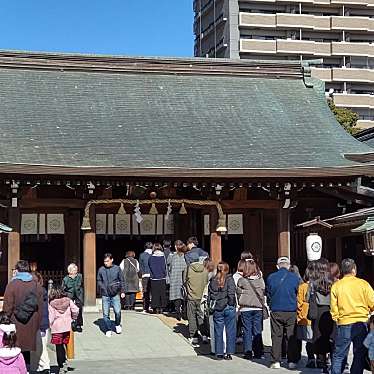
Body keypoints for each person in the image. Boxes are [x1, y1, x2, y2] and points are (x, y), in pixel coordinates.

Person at [330, 258, 374, 374]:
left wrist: (337, 319)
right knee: (359, 354)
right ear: (354, 269)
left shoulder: (336, 286)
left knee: (339, 355)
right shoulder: (363, 284)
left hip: (344, 323)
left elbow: (333, 308)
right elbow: (373, 303)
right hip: (361, 322)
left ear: (342, 271)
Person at [3, 260, 43, 365]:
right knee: (27, 350)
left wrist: (5, 321)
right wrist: (38, 324)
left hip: (15, 322)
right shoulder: (36, 285)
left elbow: (7, 306)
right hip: (32, 322)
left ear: (17, 270)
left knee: (16, 348)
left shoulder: (12, 285)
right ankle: (27, 369)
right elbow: (41, 307)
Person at [266, 256, 299, 369]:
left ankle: (275, 361)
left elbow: (268, 293)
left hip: (276, 310)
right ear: (289, 266)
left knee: (276, 335)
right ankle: (292, 361)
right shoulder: (295, 278)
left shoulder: (271, 277)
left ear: (277, 266)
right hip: (291, 310)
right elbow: (297, 293)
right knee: (291, 336)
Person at [236, 258, 265, 360]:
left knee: (247, 330)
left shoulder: (242, 280)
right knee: (257, 330)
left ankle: (248, 352)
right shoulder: (260, 280)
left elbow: (238, 293)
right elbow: (263, 292)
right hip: (258, 308)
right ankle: (258, 353)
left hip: (245, 308)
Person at [208, 261, 236, 360]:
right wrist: (231, 304)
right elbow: (231, 293)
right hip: (228, 306)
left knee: (218, 330)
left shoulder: (213, 280)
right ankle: (229, 353)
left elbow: (211, 294)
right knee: (230, 331)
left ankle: (219, 352)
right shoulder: (229, 279)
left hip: (217, 307)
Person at [48, 287, 79, 374]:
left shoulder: (51, 304)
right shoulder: (68, 301)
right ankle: (65, 361)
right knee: (65, 344)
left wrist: (48, 326)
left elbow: (51, 317)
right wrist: (73, 317)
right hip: (66, 327)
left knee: (59, 347)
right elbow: (76, 309)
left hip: (56, 328)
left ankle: (61, 365)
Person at [97, 253, 126, 337]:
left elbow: (122, 280)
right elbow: (99, 280)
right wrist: (102, 287)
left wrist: (122, 291)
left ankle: (117, 324)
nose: (106, 263)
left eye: (107, 261)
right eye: (104, 261)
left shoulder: (117, 269)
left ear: (112, 260)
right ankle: (108, 328)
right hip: (105, 294)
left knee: (117, 311)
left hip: (115, 293)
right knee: (106, 314)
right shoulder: (101, 269)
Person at [184, 256, 209, 347]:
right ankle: (205, 335)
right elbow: (207, 282)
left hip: (191, 296)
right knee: (201, 316)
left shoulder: (188, 269)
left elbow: (184, 281)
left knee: (192, 316)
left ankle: (194, 336)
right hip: (202, 296)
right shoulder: (205, 270)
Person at [30, 272, 50, 374]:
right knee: (34, 348)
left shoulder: (39, 292)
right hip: (38, 323)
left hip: (40, 324)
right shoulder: (40, 291)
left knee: (41, 348)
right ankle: (34, 367)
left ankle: (45, 367)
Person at [168, 240, 187, 321]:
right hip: (184, 278)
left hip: (174, 278)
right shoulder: (186, 256)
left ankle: (178, 311)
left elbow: (169, 267)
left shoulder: (172, 256)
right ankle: (184, 312)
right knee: (184, 295)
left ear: (176, 246)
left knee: (177, 297)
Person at [62, 263, 84, 332]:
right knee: (69, 310)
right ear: (70, 271)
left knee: (79, 309)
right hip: (69, 295)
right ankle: (70, 323)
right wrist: (66, 295)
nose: (75, 272)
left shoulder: (80, 276)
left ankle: (78, 324)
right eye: (74, 270)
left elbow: (82, 285)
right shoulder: (66, 279)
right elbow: (63, 289)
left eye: (76, 270)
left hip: (78, 295)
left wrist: (81, 292)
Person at [148, 243, 168, 314]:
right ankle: (162, 308)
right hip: (162, 277)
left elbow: (150, 267)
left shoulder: (151, 257)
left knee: (155, 293)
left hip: (154, 278)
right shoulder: (164, 257)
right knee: (162, 293)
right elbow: (165, 267)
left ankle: (155, 308)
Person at [139, 242, 153, 313]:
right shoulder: (154, 254)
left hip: (145, 275)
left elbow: (140, 267)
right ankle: (154, 307)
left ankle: (145, 308)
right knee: (153, 292)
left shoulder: (142, 255)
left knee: (145, 292)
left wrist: (141, 274)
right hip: (153, 275)